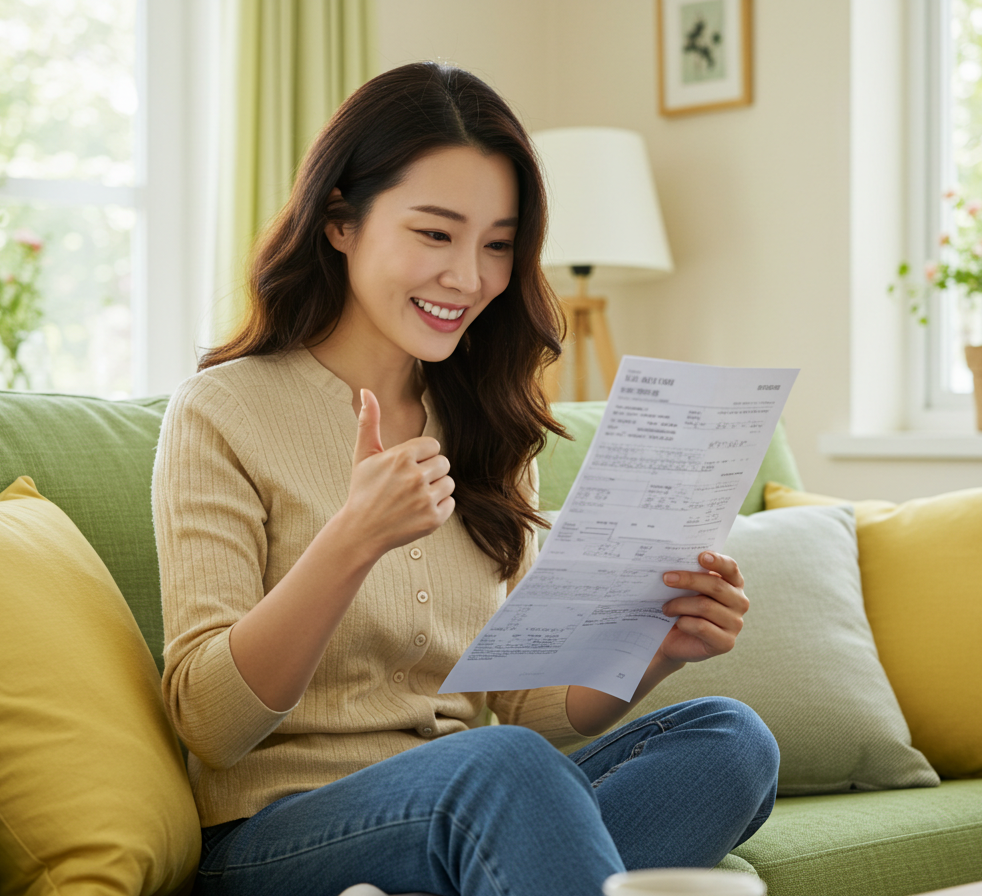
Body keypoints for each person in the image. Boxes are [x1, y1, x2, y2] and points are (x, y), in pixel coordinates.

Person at [152, 61, 778, 896]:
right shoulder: (222, 411)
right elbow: (210, 724)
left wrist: (652, 653)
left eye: (497, 245)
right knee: (495, 770)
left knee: (731, 741)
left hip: (471, 801)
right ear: (341, 220)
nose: (470, 278)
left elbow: (522, 707)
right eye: (435, 234)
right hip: (277, 837)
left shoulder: (483, 419)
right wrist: (353, 539)